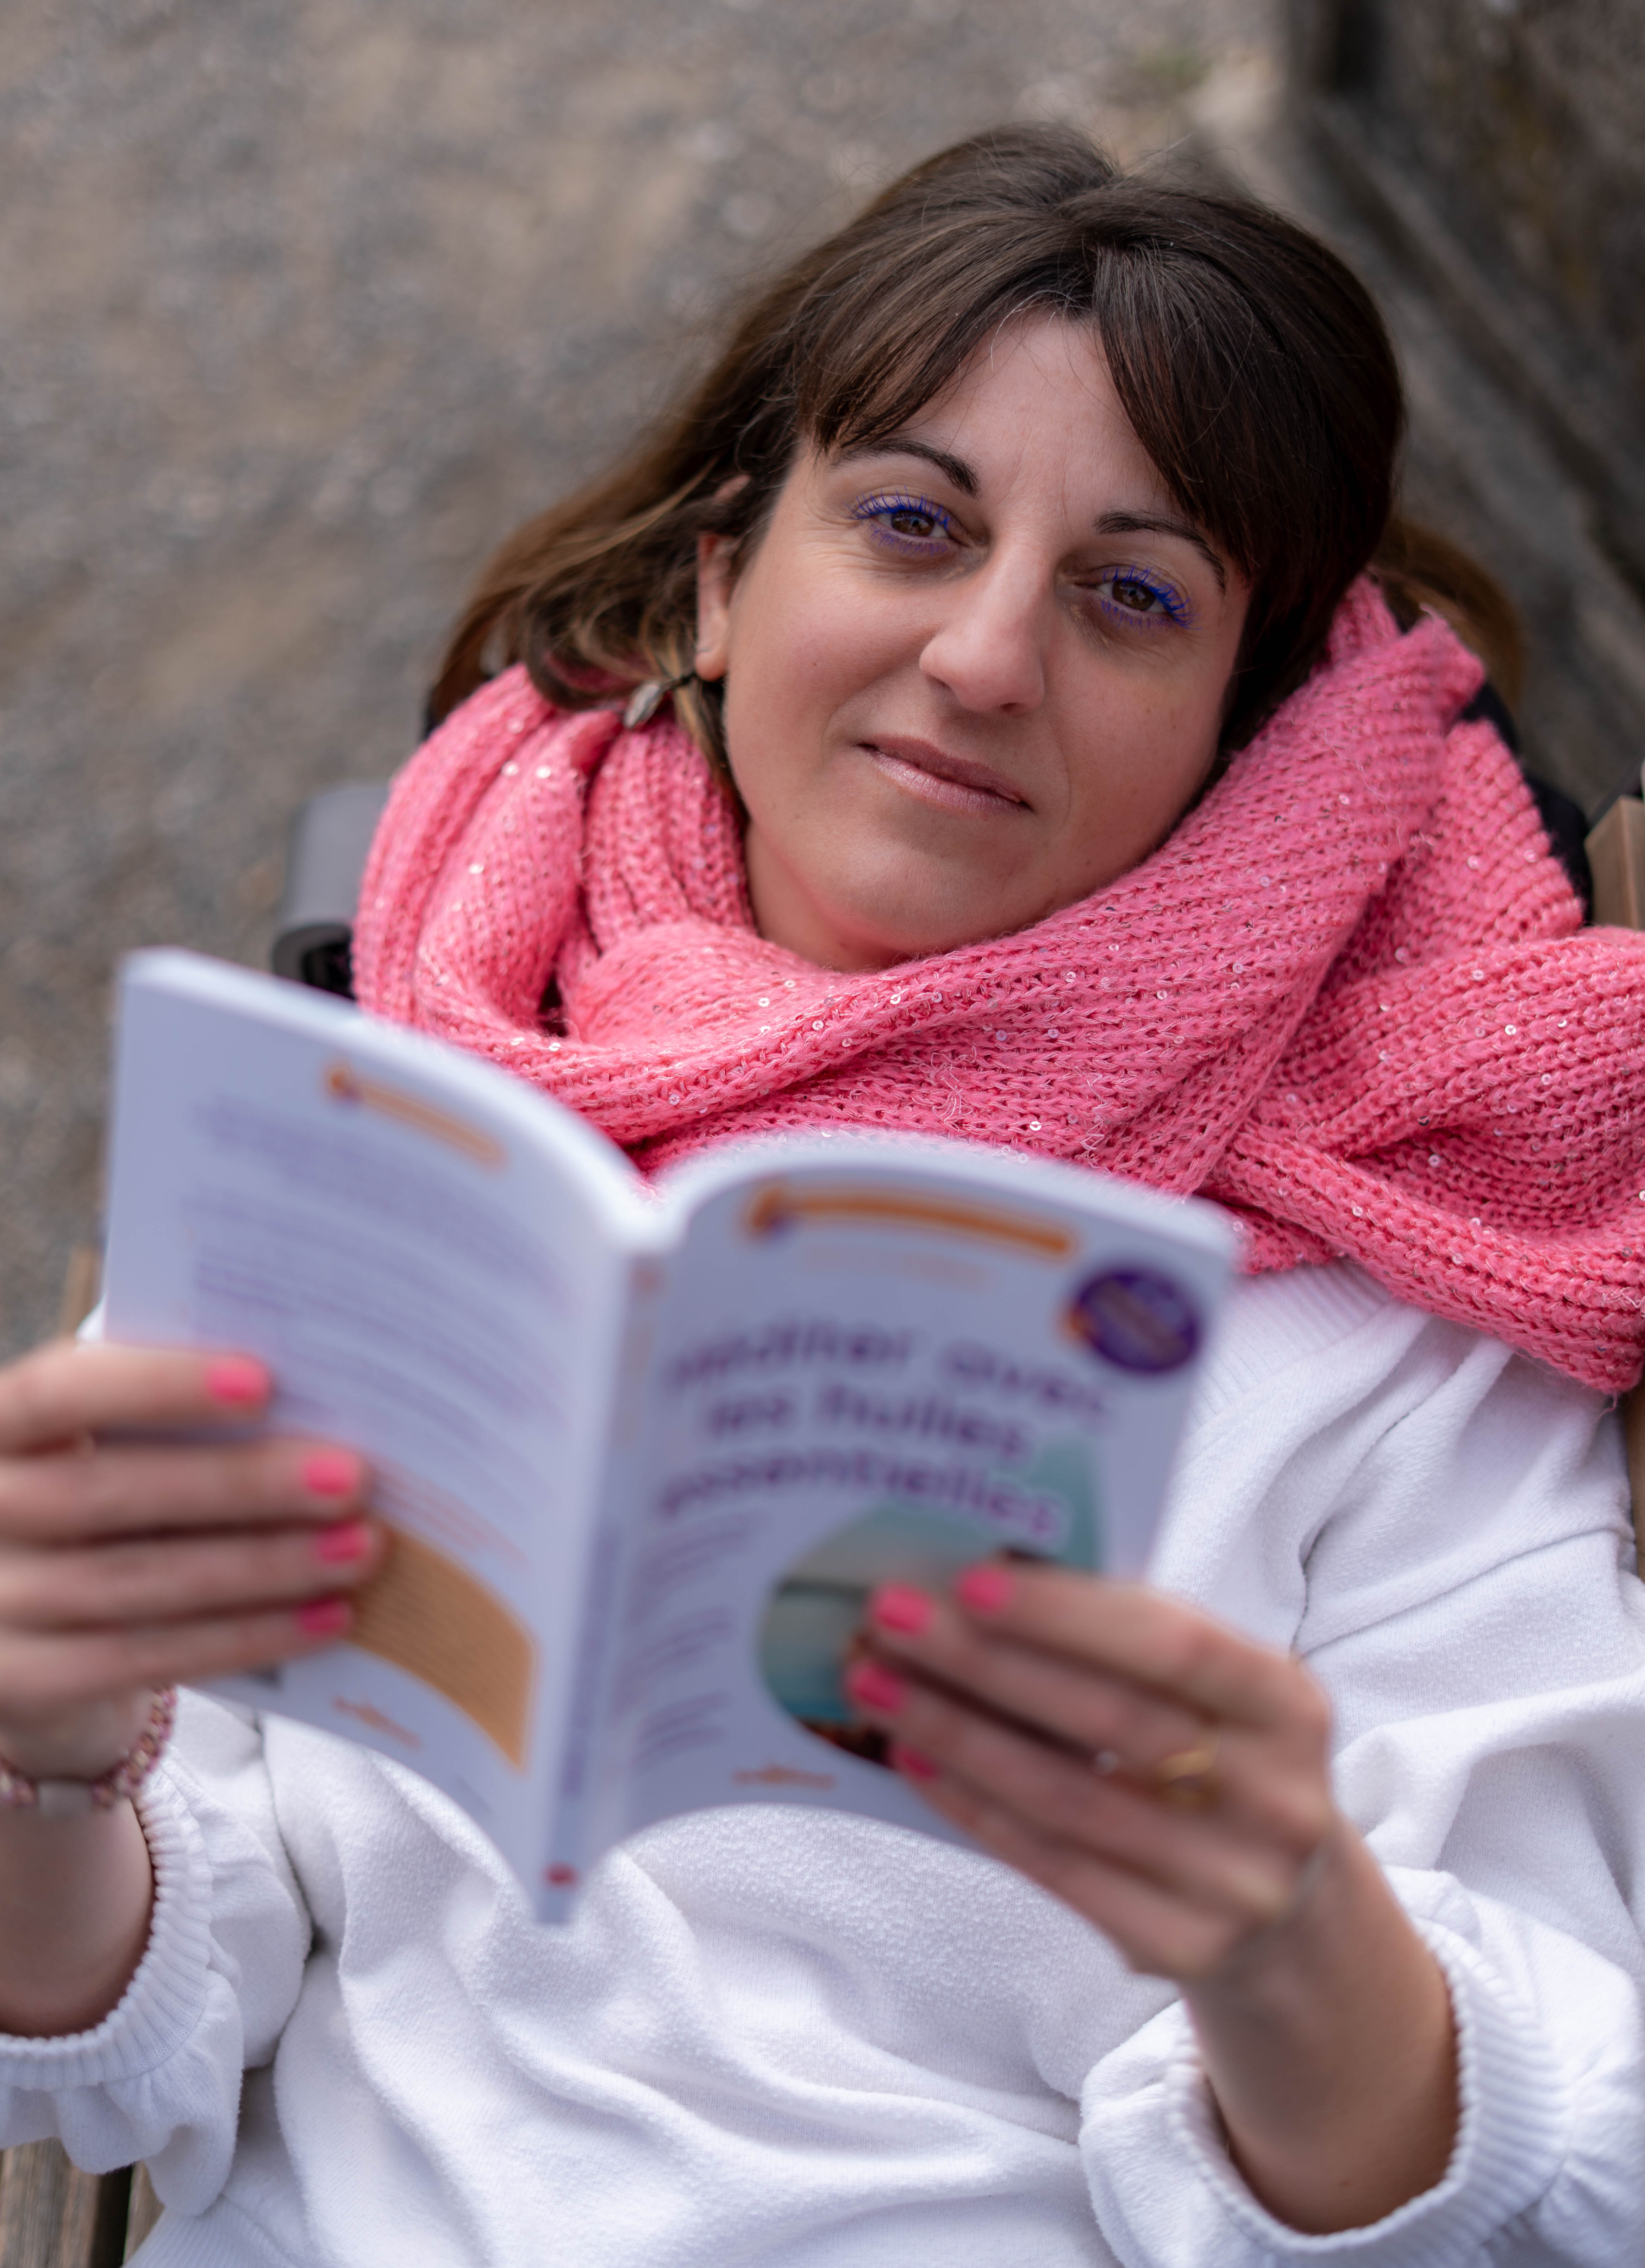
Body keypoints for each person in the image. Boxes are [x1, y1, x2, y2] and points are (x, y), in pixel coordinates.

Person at [0, 125, 1643, 2267]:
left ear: (1242, 738)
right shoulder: (416, 1121)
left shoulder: (1408, 1271)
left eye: (1130, 597)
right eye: (909, 524)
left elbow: (1573, 2169)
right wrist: (46, 1763)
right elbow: (128, 2052)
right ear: (719, 574)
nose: (980, 659)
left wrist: (1287, 1933)